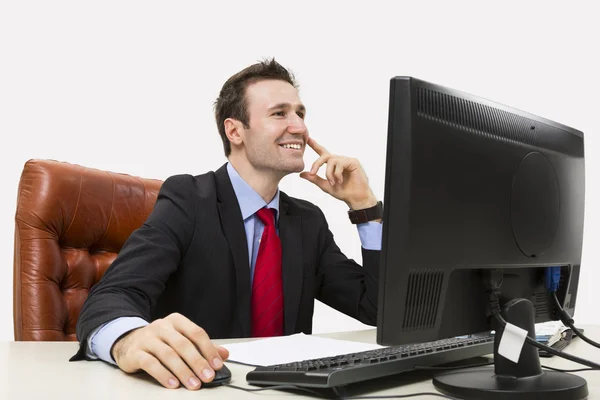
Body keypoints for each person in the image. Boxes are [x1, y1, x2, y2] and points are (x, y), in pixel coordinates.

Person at [72, 58, 383, 390]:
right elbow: (114, 294)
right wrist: (128, 339)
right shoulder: (188, 200)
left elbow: (377, 308)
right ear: (235, 130)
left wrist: (365, 207)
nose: (299, 128)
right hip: (205, 389)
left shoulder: (307, 221)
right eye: (280, 113)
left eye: (300, 114)